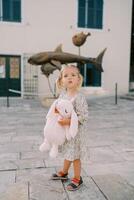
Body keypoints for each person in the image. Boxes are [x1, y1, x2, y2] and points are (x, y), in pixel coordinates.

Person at [51, 64, 89, 191]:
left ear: (78, 79)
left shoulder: (80, 97)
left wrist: (69, 121)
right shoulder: (62, 95)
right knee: (68, 153)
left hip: (76, 134)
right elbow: (59, 108)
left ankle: (78, 178)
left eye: (73, 75)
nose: (69, 77)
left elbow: (83, 116)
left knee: (75, 156)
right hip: (65, 132)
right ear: (62, 80)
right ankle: (64, 172)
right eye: (66, 75)